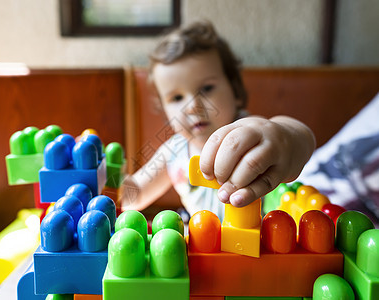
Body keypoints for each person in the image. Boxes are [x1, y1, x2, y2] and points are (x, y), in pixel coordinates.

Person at [121, 20, 316, 220]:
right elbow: (135, 194)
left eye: (206, 89)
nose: (192, 106)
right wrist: (108, 183)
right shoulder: (173, 152)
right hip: (206, 246)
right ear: (164, 111)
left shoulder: (251, 132)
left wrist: (284, 137)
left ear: (235, 91)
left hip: (260, 243)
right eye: (177, 98)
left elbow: (300, 137)